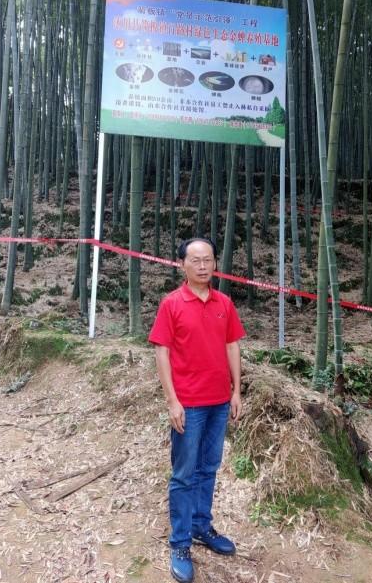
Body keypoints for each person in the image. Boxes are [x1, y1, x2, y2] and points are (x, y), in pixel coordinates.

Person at [149, 237, 246, 583]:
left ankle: (202, 527)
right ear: (182, 265)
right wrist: (172, 401)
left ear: (215, 264)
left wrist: (237, 390)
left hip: (219, 401)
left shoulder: (224, 302)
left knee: (209, 468)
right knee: (184, 473)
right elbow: (161, 353)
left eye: (208, 260)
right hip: (188, 404)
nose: (203, 266)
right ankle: (179, 543)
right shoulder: (172, 304)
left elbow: (231, 344)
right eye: (196, 260)